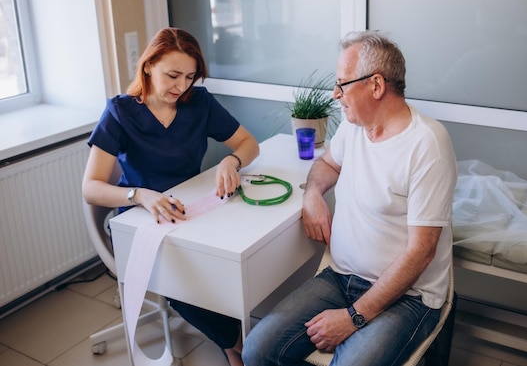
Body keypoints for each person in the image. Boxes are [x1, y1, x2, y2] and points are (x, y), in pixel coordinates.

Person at [241, 30, 457, 366]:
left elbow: (421, 252)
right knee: (257, 350)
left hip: (408, 296)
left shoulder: (428, 144)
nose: (335, 94)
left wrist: (353, 318)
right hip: (341, 277)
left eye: (342, 84)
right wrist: (312, 194)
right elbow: (327, 163)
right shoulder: (355, 126)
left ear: (376, 85)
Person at [82, 27, 259, 366]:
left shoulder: (199, 103)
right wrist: (140, 195)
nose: (181, 87)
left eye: (190, 77)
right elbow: (91, 188)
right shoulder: (120, 113)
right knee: (184, 274)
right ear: (148, 66)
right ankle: (234, 342)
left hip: (192, 210)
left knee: (225, 257)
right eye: (173, 75)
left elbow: (248, 143)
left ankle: (234, 333)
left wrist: (230, 160)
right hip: (140, 220)